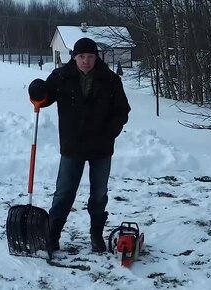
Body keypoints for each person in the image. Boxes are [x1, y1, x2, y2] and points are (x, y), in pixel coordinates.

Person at [28, 37, 131, 254]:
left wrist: (110, 131)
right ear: (74, 57)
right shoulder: (61, 77)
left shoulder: (110, 80)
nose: (86, 61)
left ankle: (96, 235)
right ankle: (53, 234)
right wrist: (37, 90)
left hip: (101, 147)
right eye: (81, 56)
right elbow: (45, 98)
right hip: (72, 146)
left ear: (96, 58)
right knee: (64, 192)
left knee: (98, 194)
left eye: (90, 57)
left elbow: (122, 110)